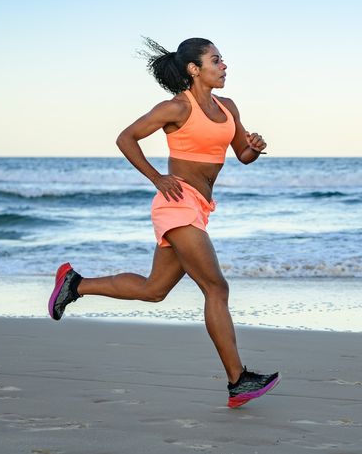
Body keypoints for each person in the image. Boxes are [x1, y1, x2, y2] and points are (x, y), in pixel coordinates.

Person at [47, 37, 279, 408]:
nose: (224, 66)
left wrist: (254, 146)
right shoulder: (175, 107)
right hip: (177, 203)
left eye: (222, 60)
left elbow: (242, 155)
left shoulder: (228, 107)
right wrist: (157, 177)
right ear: (194, 69)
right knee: (216, 288)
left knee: (155, 289)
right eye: (216, 60)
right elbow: (126, 138)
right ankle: (239, 380)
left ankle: (75, 284)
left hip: (199, 206)